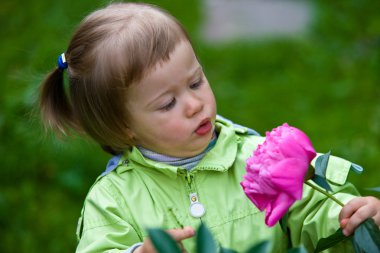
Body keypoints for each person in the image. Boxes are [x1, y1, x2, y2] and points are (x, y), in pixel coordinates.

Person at [39, 2, 380, 253]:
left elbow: (310, 211)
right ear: (124, 126)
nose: (193, 104)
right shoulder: (112, 200)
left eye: (196, 81)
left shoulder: (258, 159)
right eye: (167, 103)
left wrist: (347, 218)